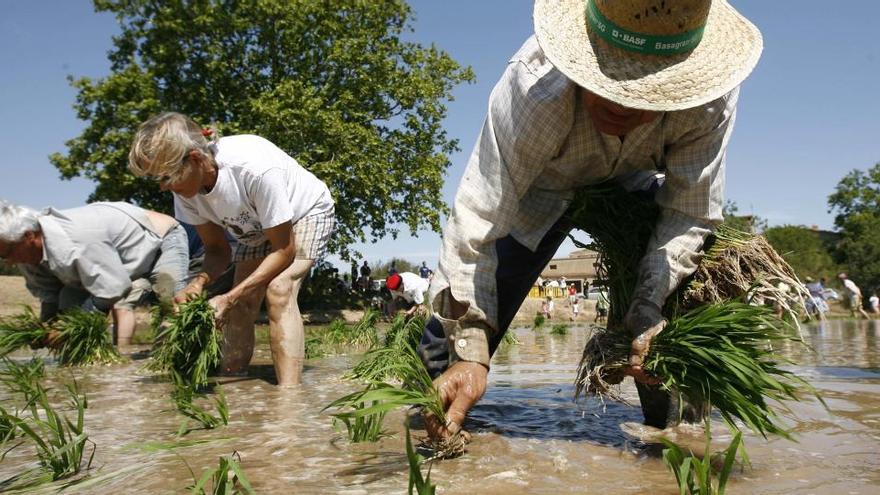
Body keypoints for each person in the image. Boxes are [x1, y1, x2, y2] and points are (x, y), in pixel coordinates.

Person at [418, 0, 764, 439]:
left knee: (676, 314)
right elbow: (477, 219)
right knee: (456, 339)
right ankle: (430, 419)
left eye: (645, 92)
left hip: (635, 184)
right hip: (541, 188)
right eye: (609, 82)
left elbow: (688, 211)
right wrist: (471, 346)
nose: (620, 104)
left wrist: (647, 303)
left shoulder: (706, 103)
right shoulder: (536, 88)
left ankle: (671, 436)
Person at [128, 112, 335, 387]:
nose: (164, 187)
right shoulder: (185, 194)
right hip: (256, 226)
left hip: (304, 213)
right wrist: (198, 284)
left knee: (279, 289)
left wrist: (229, 296)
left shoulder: (252, 170)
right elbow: (217, 250)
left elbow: (284, 249)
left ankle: (289, 399)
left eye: (167, 177)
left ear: (195, 158)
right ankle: (233, 378)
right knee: (241, 305)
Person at [0, 200, 189, 346]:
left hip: (160, 240)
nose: (9, 261)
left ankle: (178, 371)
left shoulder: (77, 238)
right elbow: (51, 296)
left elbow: (113, 289)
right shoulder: (26, 255)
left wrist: (69, 329)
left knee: (171, 305)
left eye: (8, 253)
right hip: (120, 265)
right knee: (67, 303)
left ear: (28, 236)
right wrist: (45, 330)